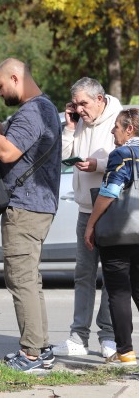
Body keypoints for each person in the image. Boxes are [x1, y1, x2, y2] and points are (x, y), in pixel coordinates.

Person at [0, 58, 62, 372]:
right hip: (36, 205)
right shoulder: (40, 109)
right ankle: (42, 348)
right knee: (30, 281)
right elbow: (10, 141)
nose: (0, 91)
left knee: (21, 280)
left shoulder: (33, 110)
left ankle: (32, 356)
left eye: (1, 86)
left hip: (26, 207)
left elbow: (7, 152)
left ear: (15, 77)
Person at [52, 78, 121, 358]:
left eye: (84, 103)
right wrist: (69, 128)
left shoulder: (119, 119)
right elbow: (63, 155)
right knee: (83, 274)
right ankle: (78, 337)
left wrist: (97, 164)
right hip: (84, 208)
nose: (80, 109)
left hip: (111, 208)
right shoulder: (78, 121)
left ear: (100, 99)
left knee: (113, 276)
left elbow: (125, 158)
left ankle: (108, 336)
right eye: (76, 104)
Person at [84, 108, 139, 366]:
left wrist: (91, 224)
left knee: (118, 292)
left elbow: (109, 192)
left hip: (119, 235)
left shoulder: (123, 154)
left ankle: (126, 351)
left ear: (130, 129)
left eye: (116, 126)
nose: (112, 130)